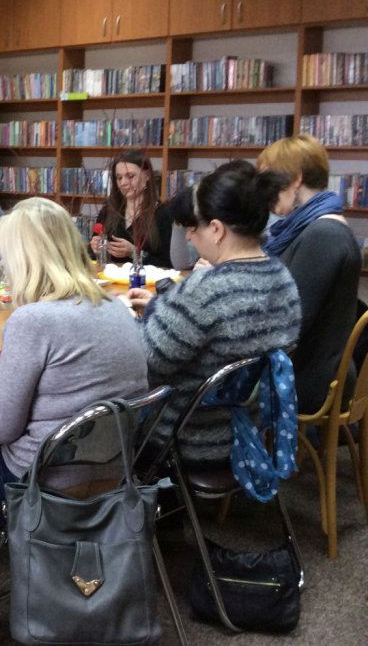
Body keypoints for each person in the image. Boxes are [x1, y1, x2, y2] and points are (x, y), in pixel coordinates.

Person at [0, 197, 148, 617]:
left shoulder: (33, 320)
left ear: (26, 259)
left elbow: (0, 427)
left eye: (5, 259)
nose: (4, 269)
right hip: (113, 471)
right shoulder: (114, 307)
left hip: (40, 487)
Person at [125, 160, 302, 467]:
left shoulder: (204, 290)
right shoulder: (282, 277)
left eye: (194, 227)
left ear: (217, 229)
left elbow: (142, 363)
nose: (190, 237)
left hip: (186, 437)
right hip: (248, 429)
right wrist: (164, 307)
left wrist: (128, 320)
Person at [257, 135, 361, 414]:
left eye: (269, 181)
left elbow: (289, 323)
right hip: (318, 368)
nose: (263, 192)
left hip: (308, 378)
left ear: (295, 179)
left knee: (201, 384)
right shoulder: (317, 227)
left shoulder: (322, 235)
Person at [89, 150, 173, 268]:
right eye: (119, 178)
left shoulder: (163, 213)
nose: (123, 183)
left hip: (145, 282)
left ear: (147, 176)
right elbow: (91, 256)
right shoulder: (109, 210)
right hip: (110, 280)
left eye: (130, 176)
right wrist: (95, 248)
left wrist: (135, 253)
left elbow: (169, 263)